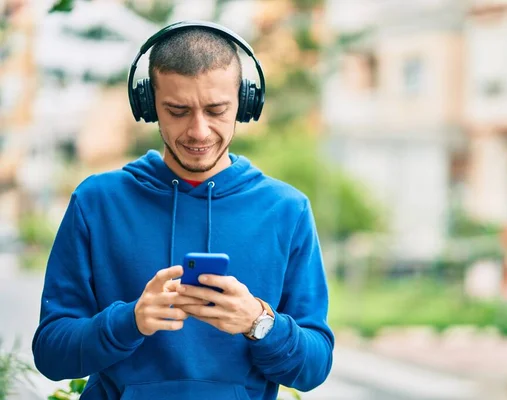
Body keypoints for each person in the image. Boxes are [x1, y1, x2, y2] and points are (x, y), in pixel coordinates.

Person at [32, 20, 334, 400]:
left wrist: (258, 322)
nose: (199, 131)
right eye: (177, 110)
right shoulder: (96, 202)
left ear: (245, 102)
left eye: (216, 110)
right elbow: (50, 354)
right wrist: (131, 321)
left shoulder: (286, 210)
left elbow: (314, 368)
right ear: (148, 105)